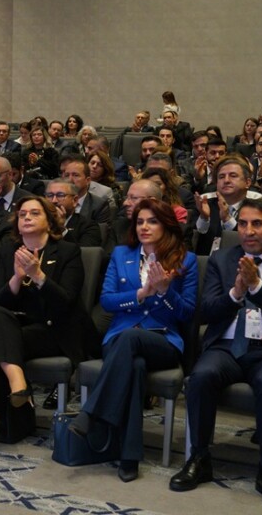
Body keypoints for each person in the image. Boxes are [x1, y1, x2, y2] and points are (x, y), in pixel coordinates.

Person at [171, 199, 262, 510]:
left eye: (257, 223)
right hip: (227, 345)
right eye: (243, 223)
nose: (248, 231)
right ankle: (199, 458)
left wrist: (257, 286)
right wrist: (236, 293)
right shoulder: (222, 259)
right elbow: (207, 311)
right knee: (201, 376)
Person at [68, 199, 197, 481]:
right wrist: (141, 294)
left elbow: (187, 313)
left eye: (152, 221)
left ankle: (92, 413)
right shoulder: (120, 254)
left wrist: (164, 292)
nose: (144, 227)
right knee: (135, 365)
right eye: (140, 222)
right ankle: (129, 456)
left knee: (132, 340)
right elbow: (107, 301)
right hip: (120, 337)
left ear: (167, 225)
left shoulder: (185, 260)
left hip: (163, 340)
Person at [0, 195, 98, 443]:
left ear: (49, 220)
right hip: (19, 327)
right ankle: (17, 385)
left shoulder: (68, 251)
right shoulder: (8, 250)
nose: (27, 217)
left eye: (35, 213)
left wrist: (38, 276)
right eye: (23, 214)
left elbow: (66, 302)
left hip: (57, 330)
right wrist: (16, 278)